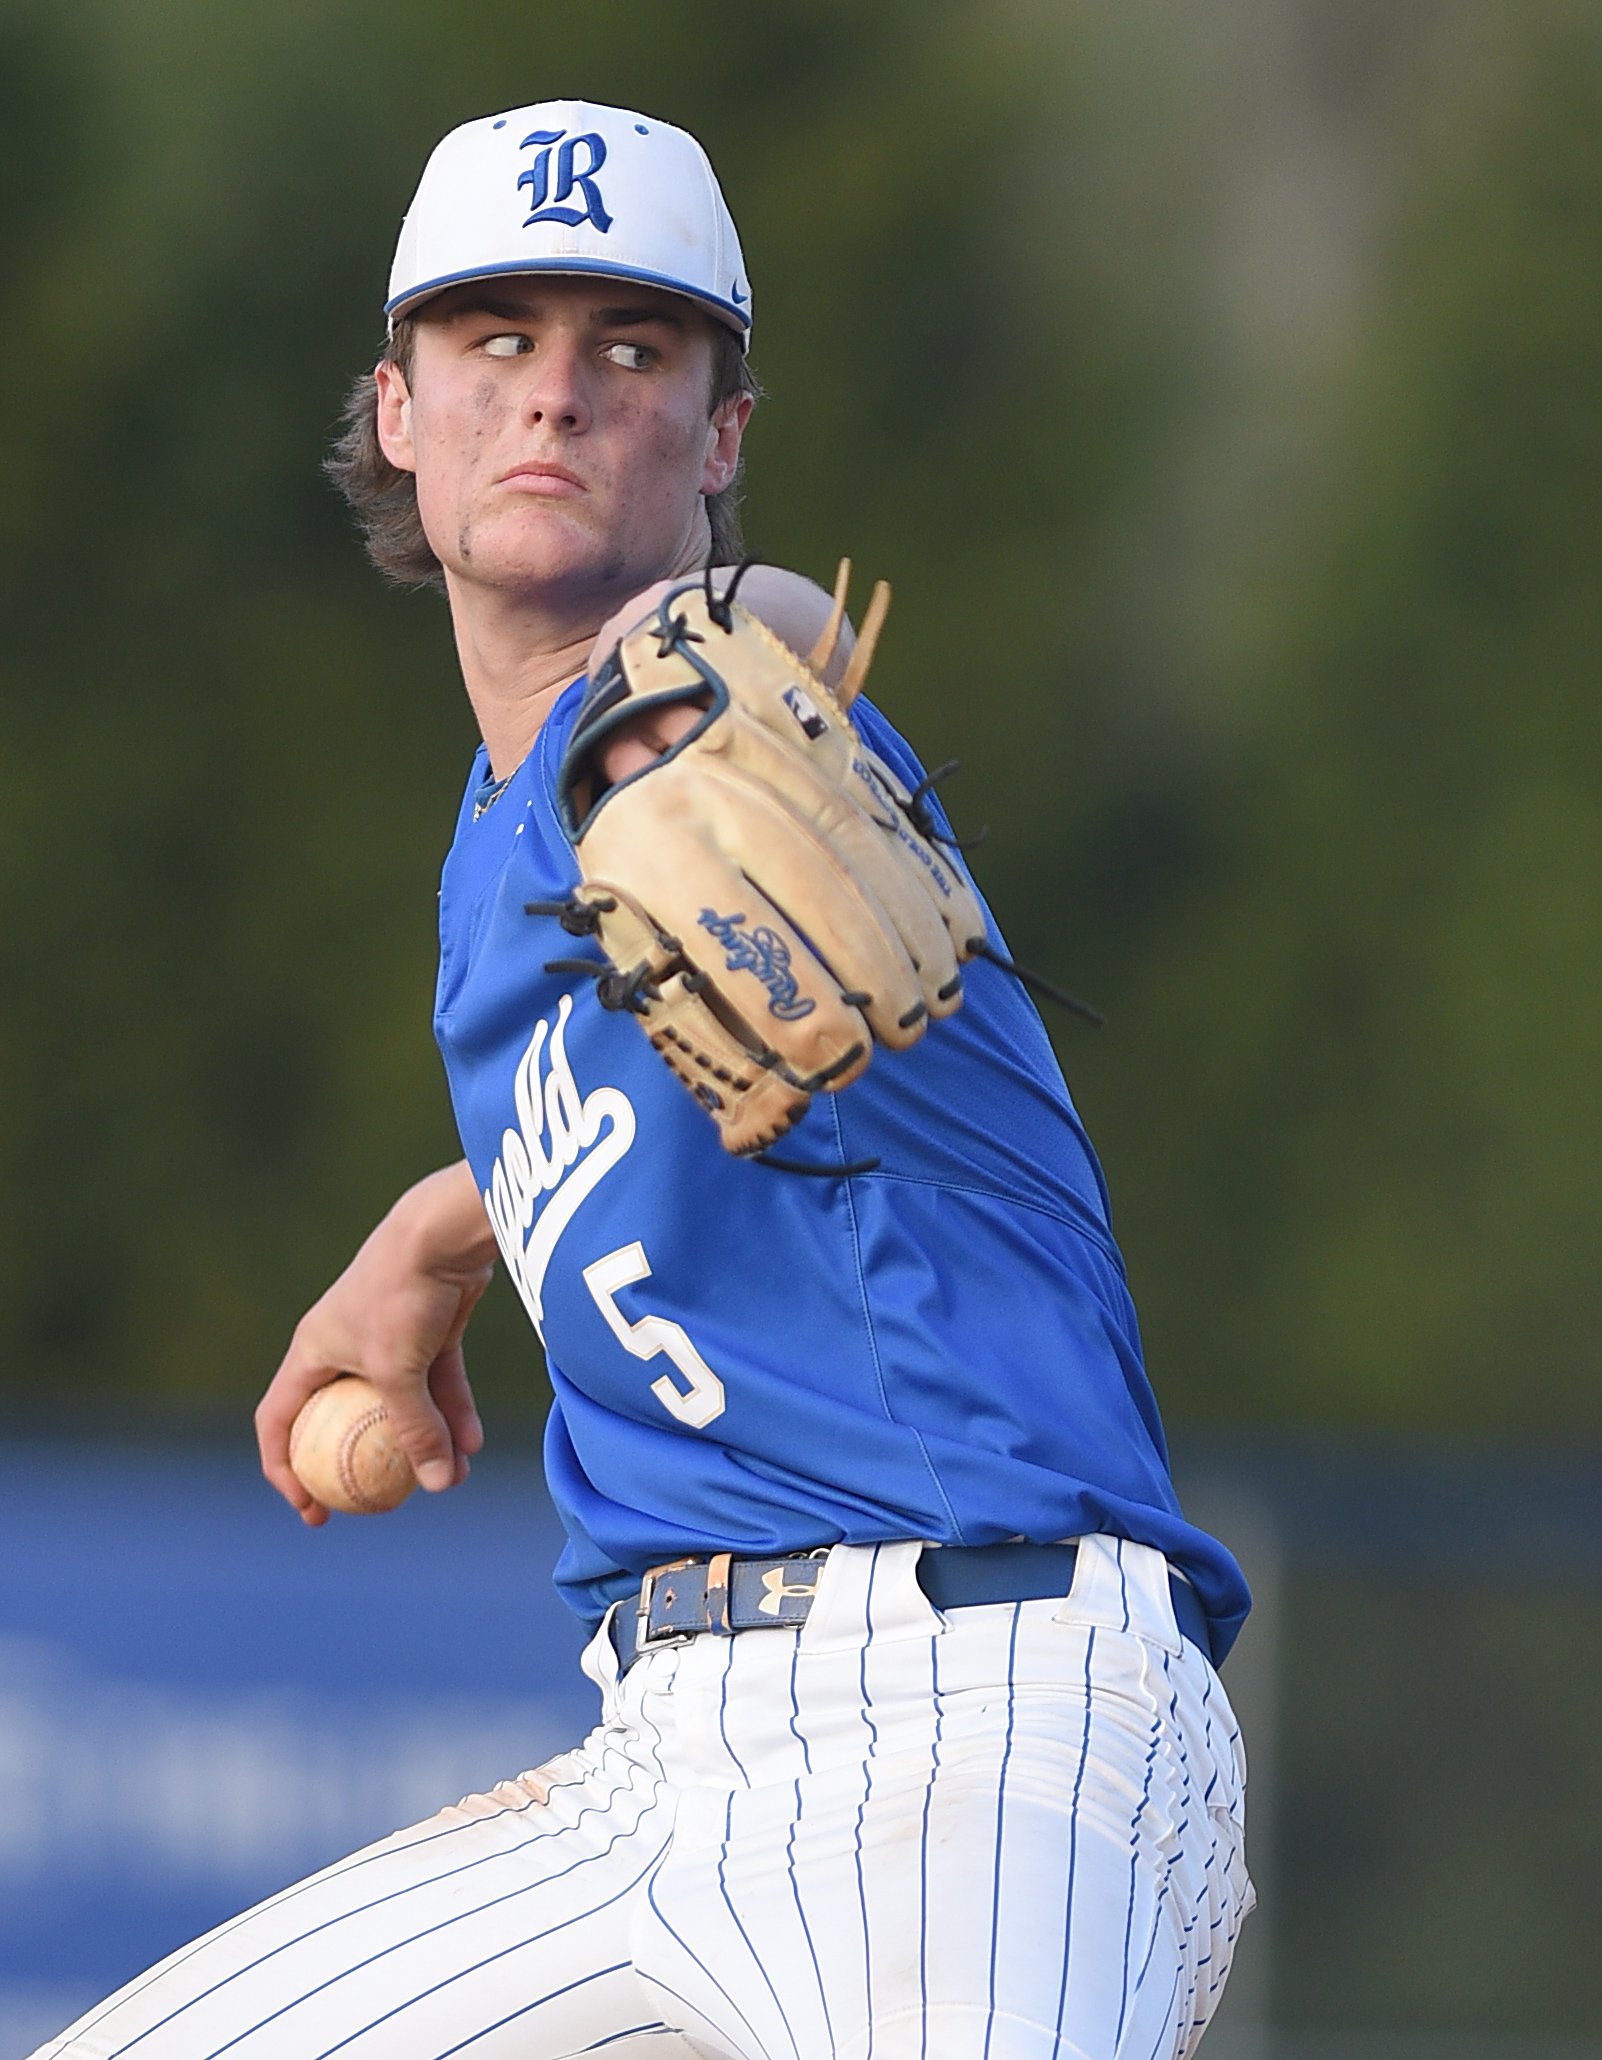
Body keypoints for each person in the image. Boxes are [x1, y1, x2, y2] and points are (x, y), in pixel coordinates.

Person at [34, 99, 1254, 2060]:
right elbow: (659, 1098)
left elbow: (754, 638)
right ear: (401, 409)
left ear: (722, 437)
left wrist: (684, 686)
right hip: (655, 1767)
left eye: (632, 348)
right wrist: (443, 1222)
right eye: (495, 338)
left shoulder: (731, 726)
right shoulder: (487, 856)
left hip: (975, 1720)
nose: (558, 394)